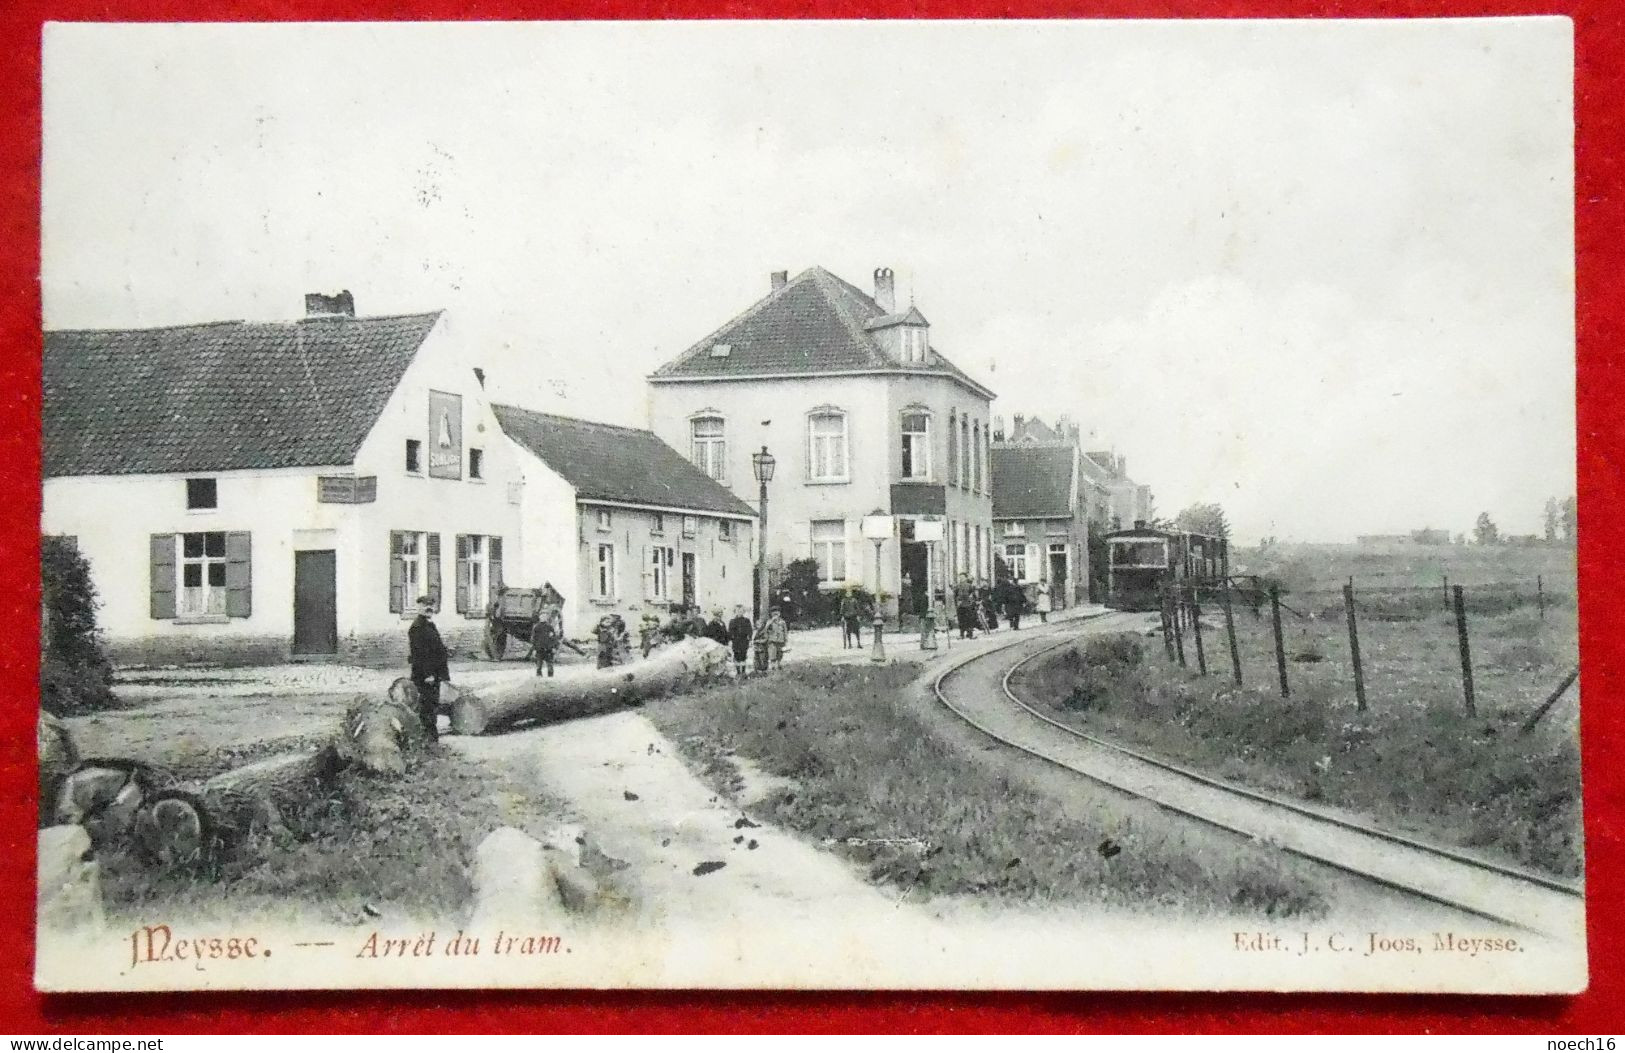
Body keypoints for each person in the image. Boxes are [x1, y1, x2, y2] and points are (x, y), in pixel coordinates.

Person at [406, 595, 450, 743]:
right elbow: (419, 653)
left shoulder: (429, 625)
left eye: (431, 604)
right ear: (419, 607)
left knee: (432, 706)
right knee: (427, 708)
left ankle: (430, 739)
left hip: (433, 674)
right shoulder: (417, 627)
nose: (429, 607)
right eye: (425, 605)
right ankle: (428, 741)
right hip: (426, 676)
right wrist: (428, 674)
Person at [727, 604, 754, 679]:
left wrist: (750, 639)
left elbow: (750, 630)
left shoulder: (746, 621)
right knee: (737, 656)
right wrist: (730, 640)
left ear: (743, 612)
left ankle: (743, 672)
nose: (739, 612)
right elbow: (730, 632)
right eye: (738, 611)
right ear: (735, 612)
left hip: (744, 641)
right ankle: (738, 672)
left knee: (743, 656)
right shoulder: (732, 621)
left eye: (741, 611)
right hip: (736, 641)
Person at [531, 605, 559, 677]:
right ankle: (539, 677)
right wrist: (534, 649)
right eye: (542, 615)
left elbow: (554, 638)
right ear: (539, 617)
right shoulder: (536, 627)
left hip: (548, 650)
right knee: (539, 665)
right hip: (539, 649)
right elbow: (534, 639)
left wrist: (554, 648)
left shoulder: (550, 627)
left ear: (547, 617)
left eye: (545, 616)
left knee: (550, 665)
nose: (543, 617)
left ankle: (550, 677)